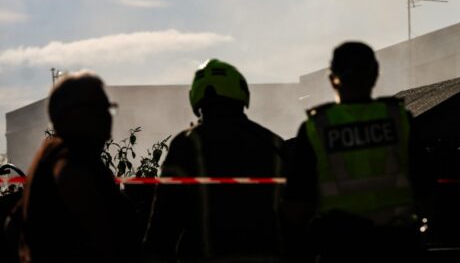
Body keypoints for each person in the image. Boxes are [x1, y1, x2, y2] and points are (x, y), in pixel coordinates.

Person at [285, 42, 428, 263]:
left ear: (333, 79)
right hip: (399, 248)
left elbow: (297, 207)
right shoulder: (399, 120)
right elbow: (426, 188)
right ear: (374, 75)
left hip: (341, 250)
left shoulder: (315, 129)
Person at [143, 59, 287, 263]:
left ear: (196, 97)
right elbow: (297, 215)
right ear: (241, 93)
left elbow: (164, 223)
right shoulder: (275, 144)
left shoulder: (187, 143)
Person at [20, 71, 141, 263]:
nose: (108, 117)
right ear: (74, 114)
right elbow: (104, 236)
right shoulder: (68, 158)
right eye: (101, 108)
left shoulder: (53, 154)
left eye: (109, 108)